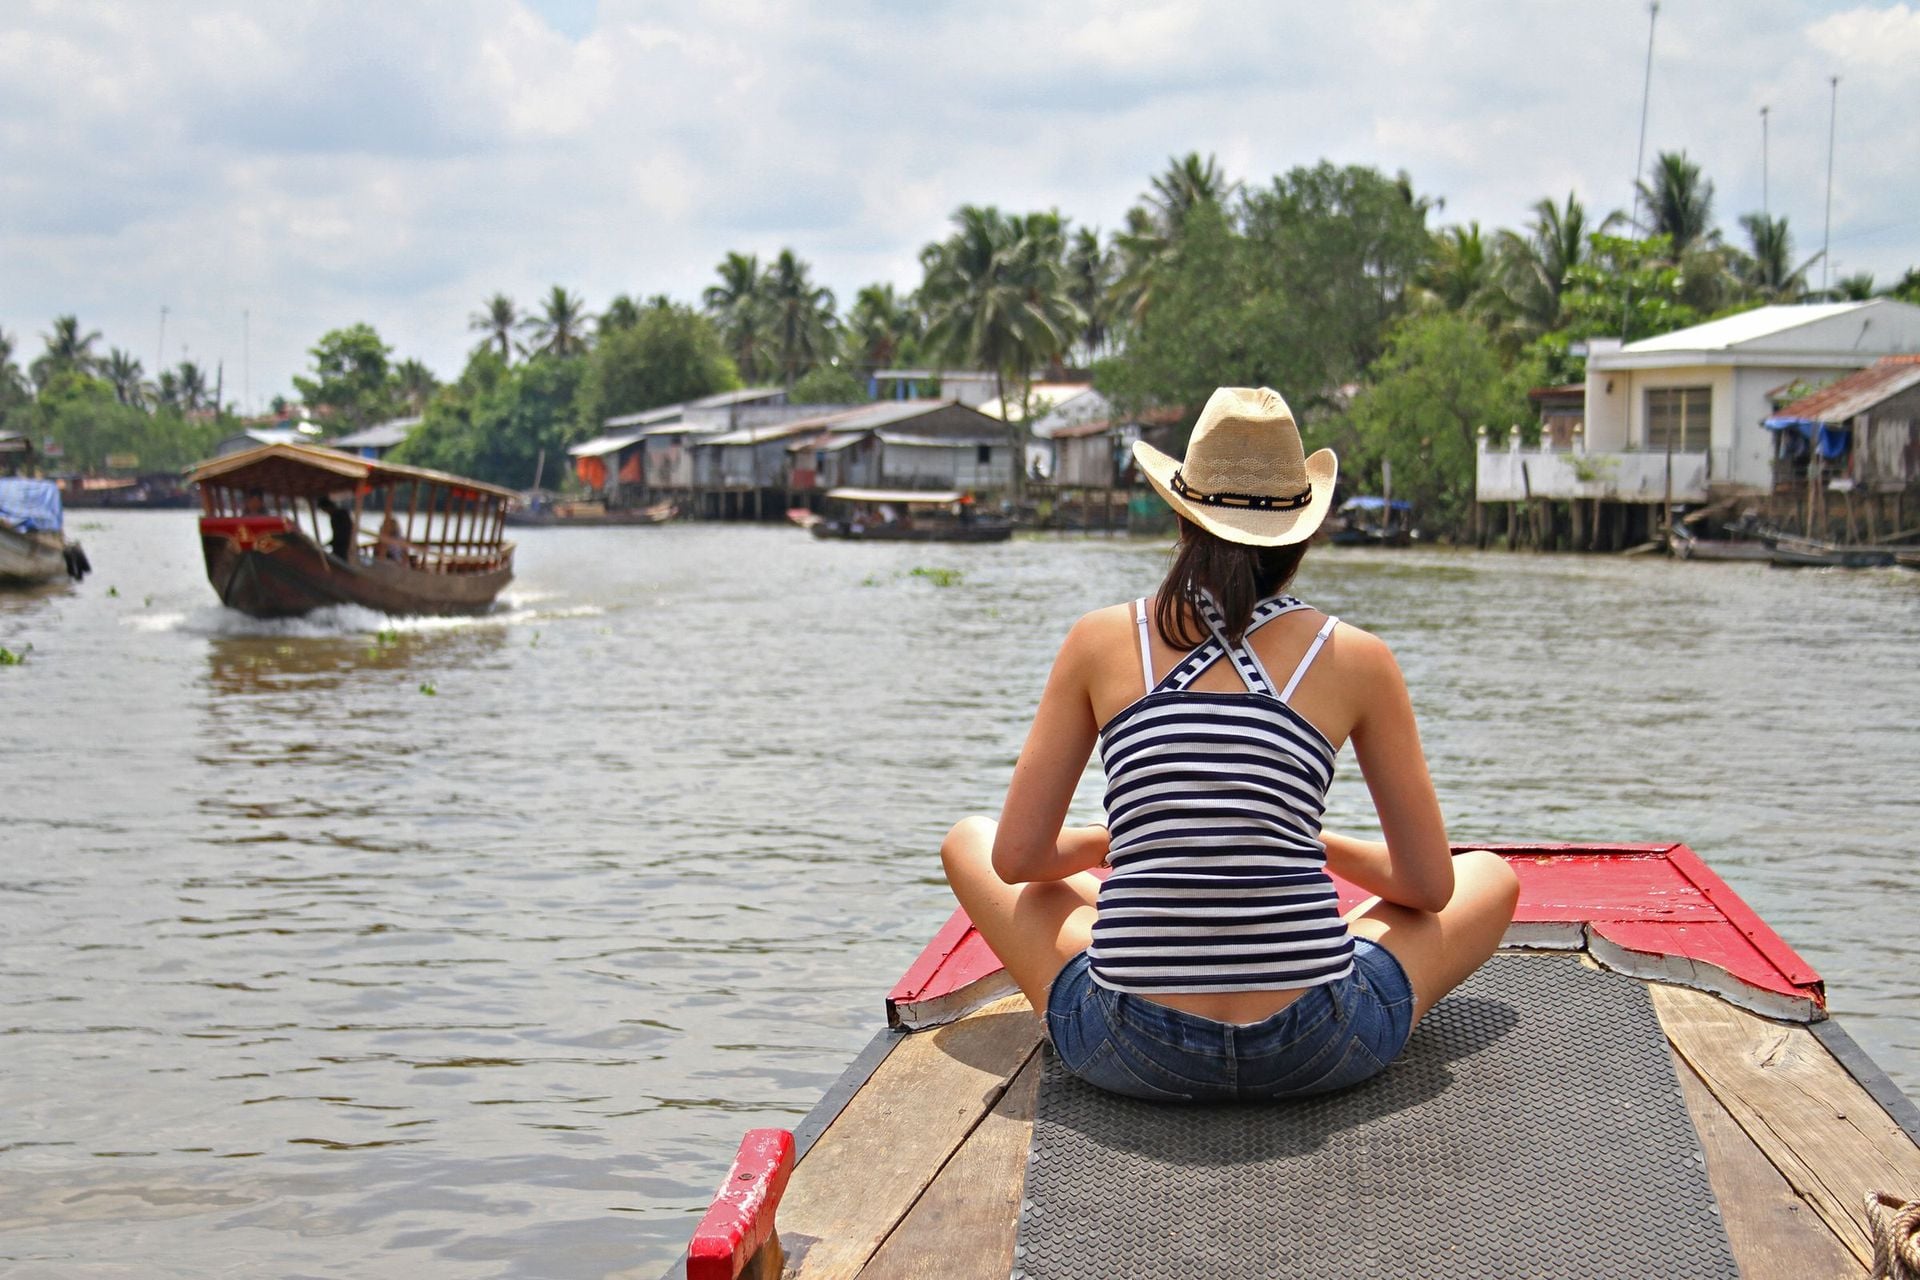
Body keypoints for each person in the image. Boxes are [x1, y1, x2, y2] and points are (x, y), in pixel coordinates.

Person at [941, 386, 1519, 1102]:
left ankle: (1150, 923)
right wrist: (1309, 842)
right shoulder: (1357, 658)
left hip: (1130, 1047)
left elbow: (1018, 859)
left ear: (1183, 520)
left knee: (970, 839)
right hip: (1315, 1044)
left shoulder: (1100, 641)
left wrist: (1104, 842)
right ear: (1300, 536)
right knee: (1490, 876)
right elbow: (1431, 889)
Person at [316, 495, 354, 560]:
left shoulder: (337, 516)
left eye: (324, 510)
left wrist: (326, 544)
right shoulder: (341, 514)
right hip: (342, 545)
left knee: (341, 559)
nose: (326, 512)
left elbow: (339, 535)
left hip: (342, 546)